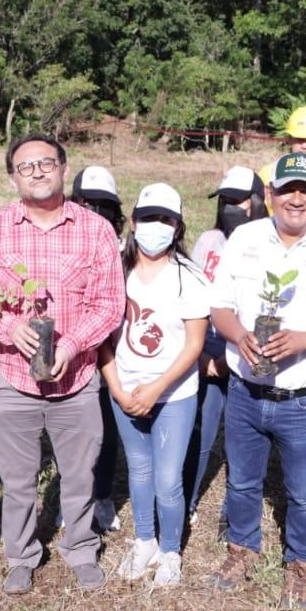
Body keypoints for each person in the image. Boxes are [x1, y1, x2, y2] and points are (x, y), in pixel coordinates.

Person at [0, 133, 125, 594]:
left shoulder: (95, 230)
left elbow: (110, 305)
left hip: (77, 383)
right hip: (15, 382)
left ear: (63, 168)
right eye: (25, 166)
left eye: (45, 163)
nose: (36, 172)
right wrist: (9, 328)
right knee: (17, 482)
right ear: (13, 176)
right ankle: (21, 554)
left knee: (79, 476)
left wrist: (71, 346)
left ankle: (80, 548)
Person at [204, 153, 306, 609]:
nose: (297, 199)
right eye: (287, 189)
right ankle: (241, 550)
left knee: (303, 489)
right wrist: (238, 335)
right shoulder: (245, 239)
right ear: (270, 195)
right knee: (241, 481)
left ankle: (300, 563)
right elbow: (220, 305)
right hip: (245, 392)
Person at [100, 183, 209, 586]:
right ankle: (143, 539)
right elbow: (104, 337)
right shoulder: (115, 271)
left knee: (167, 479)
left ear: (177, 228)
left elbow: (194, 344)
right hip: (125, 390)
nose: (156, 227)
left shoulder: (190, 278)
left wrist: (158, 388)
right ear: (132, 222)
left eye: (166, 220)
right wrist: (115, 386)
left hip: (173, 395)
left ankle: (170, 550)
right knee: (140, 470)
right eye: (148, 218)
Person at [185, 166, 268, 530]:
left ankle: (233, 510)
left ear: (257, 202)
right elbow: (194, 298)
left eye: (239, 200)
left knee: (241, 443)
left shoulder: (269, 242)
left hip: (247, 354)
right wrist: (203, 353)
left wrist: (233, 354)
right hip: (205, 352)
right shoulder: (208, 241)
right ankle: (185, 500)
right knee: (200, 433)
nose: (230, 207)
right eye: (225, 200)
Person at [71, 165, 127, 533]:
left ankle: (103, 495)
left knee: (105, 434)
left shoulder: (123, 252)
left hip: (108, 360)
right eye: (86, 203)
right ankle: (73, 497)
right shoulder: (60, 244)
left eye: (104, 206)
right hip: (71, 360)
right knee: (73, 436)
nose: (95, 213)